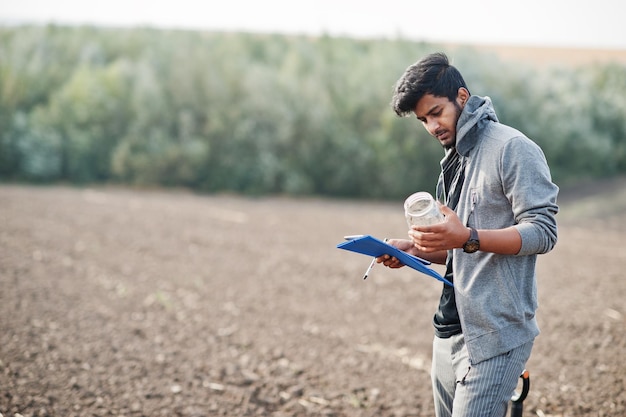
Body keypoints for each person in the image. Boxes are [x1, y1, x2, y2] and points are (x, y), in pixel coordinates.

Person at [379, 52, 559, 417]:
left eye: (436, 113)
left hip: (495, 336)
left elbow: (543, 232)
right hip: (447, 331)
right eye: (423, 120)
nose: (432, 126)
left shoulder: (512, 148)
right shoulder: (454, 159)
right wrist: (412, 250)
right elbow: (461, 247)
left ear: (462, 97)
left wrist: (466, 237)